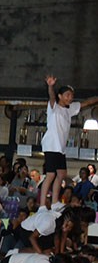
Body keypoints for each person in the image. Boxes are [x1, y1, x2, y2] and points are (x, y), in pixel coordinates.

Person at [39, 76, 98, 206]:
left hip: (60, 148)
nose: (70, 98)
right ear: (60, 96)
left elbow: (87, 103)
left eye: (72, 96)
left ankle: (55, 202)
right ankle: (42, 205)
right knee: (50, 175)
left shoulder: (69, 109)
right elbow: (52, 97)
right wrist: (50, 86)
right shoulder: (53, 107)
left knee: (61, 173)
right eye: (67, 95)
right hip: (51, 146)